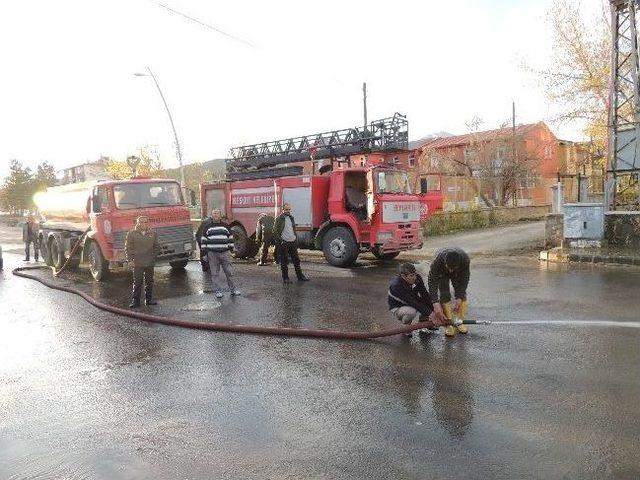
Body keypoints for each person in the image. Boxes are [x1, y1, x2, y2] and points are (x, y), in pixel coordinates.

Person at [388, 262, 449, 337]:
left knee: (431, 302)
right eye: (411, 276)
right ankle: (406, 326)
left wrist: (435, 309)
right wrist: (431, 314)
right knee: (411, 311)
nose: (414, 277)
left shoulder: (417, 278)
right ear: (403, 276)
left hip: (412, 300)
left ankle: (425, 321)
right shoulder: (397, 286)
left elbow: (425, 294)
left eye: (415, 274)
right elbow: (413, 303)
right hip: (398, 307)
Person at [428, 247, 471, 337]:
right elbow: (432, 282)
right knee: (444, 293)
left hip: (458, 273)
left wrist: (459, 297)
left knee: (461, 293)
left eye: (453, 268)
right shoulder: (437, 262)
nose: (450, 270)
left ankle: (460, 322)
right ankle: (449, 323)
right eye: (449, 268)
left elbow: (464, 279)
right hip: (442, 272)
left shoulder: (465, 260)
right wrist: (435, 303)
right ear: (445, 262)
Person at [200, 209, 240, 299]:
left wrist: (231, 250)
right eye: (214, 213)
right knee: (214, 274)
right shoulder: (207, 227)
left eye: (217, 213)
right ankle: (217, 291)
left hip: (225, 253)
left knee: (229, 272)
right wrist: (204, 254)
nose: (216, 215)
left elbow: (230, 238)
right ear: (211, 216)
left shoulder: (226, 226)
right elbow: (203, 241)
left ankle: (233, 290)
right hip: (212, 254)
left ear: (220, 215)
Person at [125, 215, 160, 308]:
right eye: (141, 222)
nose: (143, 223)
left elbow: (156, 247)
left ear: (148, 223)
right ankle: (135, 301)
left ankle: (149, 300)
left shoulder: (153, 233)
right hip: (137, 263)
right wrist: (130, 260)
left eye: (145, 222)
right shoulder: (131, 234)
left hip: (149, 262)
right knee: (138, 282)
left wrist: (153, 257)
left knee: (149, 281)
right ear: (137, 223)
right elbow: (128, 248)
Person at [273, 203, 309, 284]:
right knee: (284, 261)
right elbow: (275, 231)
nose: (288, 211)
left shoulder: (291, 218)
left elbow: (293, 229)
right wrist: (281, 241)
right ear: (283, 210)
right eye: (286, 209)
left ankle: (300, 276)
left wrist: (295, 237)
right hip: (284, 243)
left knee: (296, 260)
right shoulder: (279, 219)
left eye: (289, 209)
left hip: (292, 242)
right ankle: (285, 278)